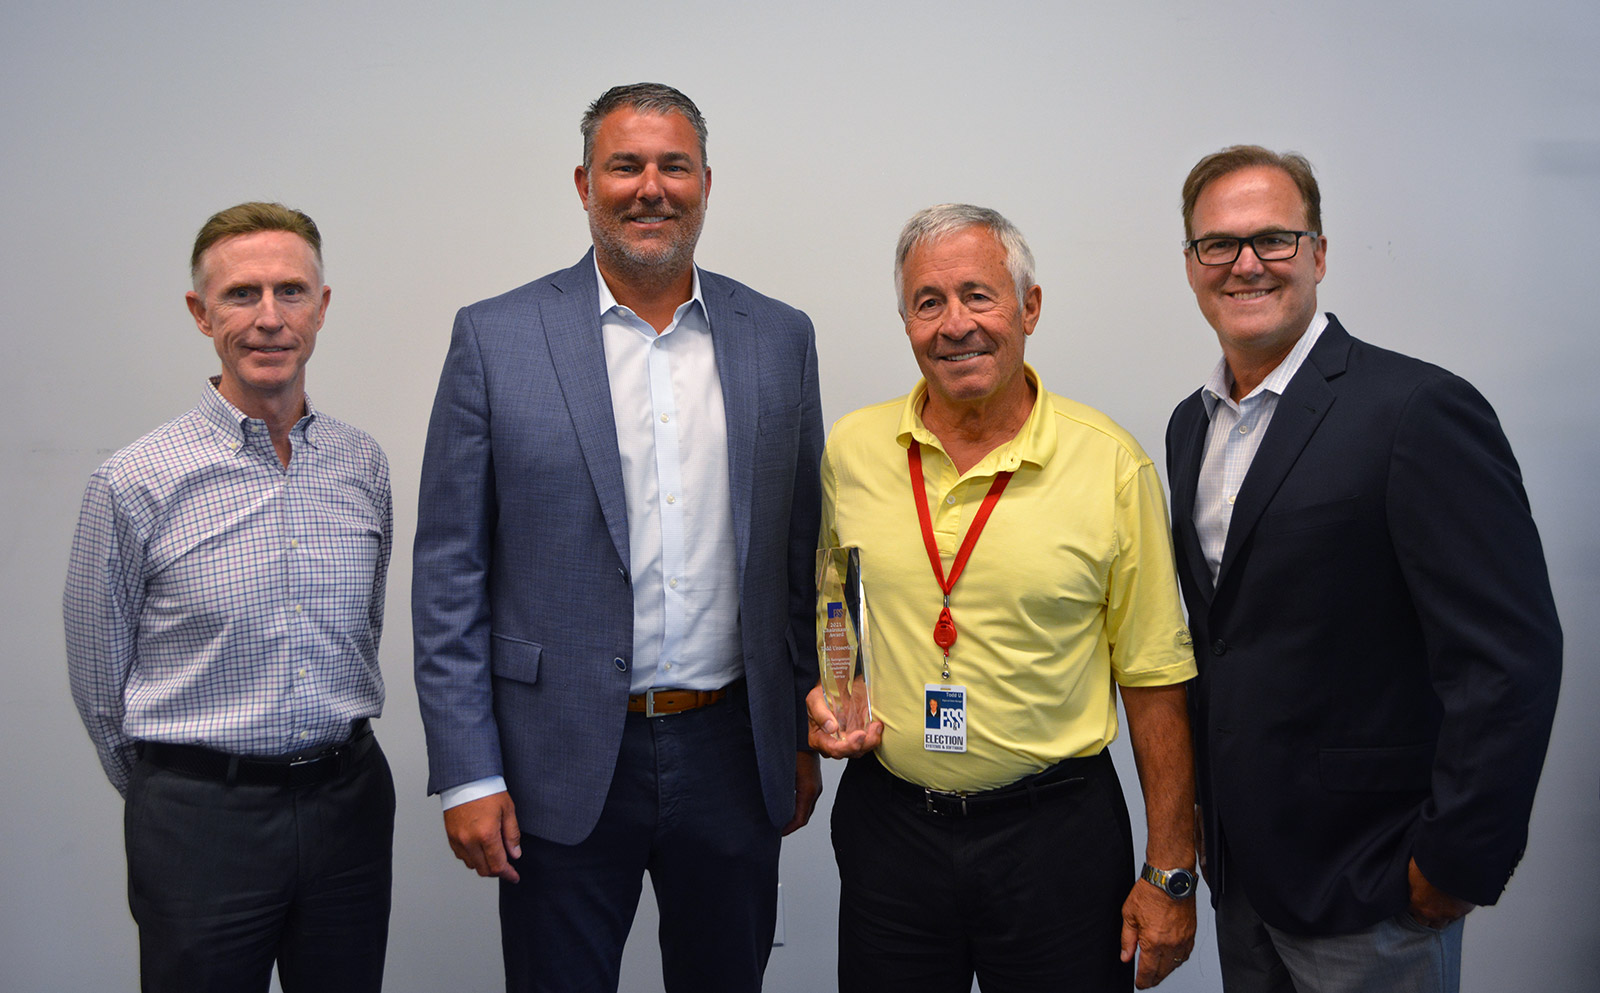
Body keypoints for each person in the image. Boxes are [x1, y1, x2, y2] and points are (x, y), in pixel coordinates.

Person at [412, 82, 824, 992]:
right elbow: (449, 572)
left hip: (730, 750)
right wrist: (467, 771)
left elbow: (800, 556)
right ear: (583, 182)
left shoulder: (779, 338)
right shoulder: (496, 336)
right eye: (625, 165)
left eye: (673, 166)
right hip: (554, 755)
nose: (651, 187)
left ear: (706, 183)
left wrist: (795, 729)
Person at [1166, 145, 1563, 993]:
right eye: (1218, 244)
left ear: (1317, 251)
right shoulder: (1188, 427)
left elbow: (1507, 656)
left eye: (1273, 238)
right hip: (1245, 881)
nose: (1245, 264)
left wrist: (1453, 861)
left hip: (1374, 885)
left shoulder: (1416, 410)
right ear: (1192, 265)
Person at [809, 204, 1198, 992]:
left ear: (1030, 307)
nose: (956, 324)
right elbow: (834, 606)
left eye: (979, 296)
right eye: (929, 302)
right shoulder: (853, 449)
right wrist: (829, 695)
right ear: (906, 322)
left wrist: (1171, 871)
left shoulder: (1110, 464)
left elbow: (1155, 675)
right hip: (892, 830)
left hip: (1055, 836)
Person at [64, 202, 395, 992]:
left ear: (322, 306)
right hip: (200, 821)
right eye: (242, 294)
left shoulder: (363, 465)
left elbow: (364, 630)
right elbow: (99, 683)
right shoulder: (135, 480)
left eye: (290, 291)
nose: (269, 318)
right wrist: (184, 790)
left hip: (346, 803)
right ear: (201, 313)